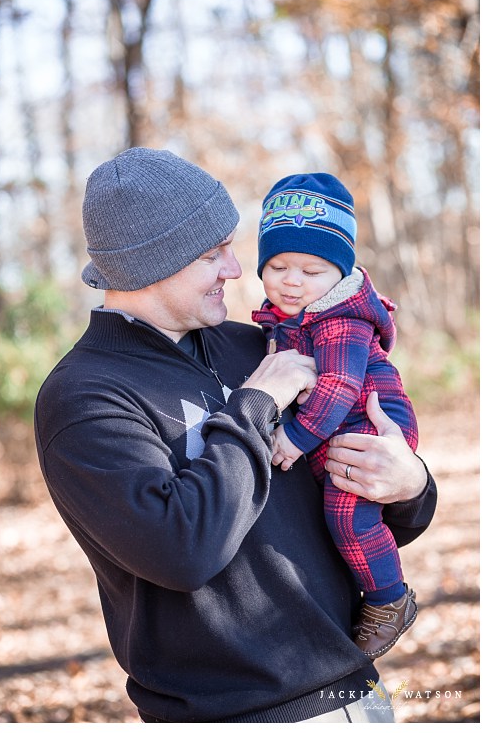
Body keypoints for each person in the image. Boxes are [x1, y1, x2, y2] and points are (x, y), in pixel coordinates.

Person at [34, 148, 437, 723]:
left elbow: (380, 510)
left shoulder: (254, 345)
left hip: (359, 697)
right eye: (211, 254)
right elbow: (181, 550)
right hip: (236, 714)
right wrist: (256, 405)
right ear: (153, 264)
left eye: (230, 246)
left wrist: (409, 484)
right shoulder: (86, 396)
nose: (235, 268)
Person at [252, 173, 420, 658]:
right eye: (278, 265)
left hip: (370, 420)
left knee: (346, 512)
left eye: (311, 270)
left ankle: (390, 600)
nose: (291, 280)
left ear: (340, 274)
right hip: (337, 422)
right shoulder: (291, 317)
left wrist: (296, 438)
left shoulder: (339, 317)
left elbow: (341, 385)